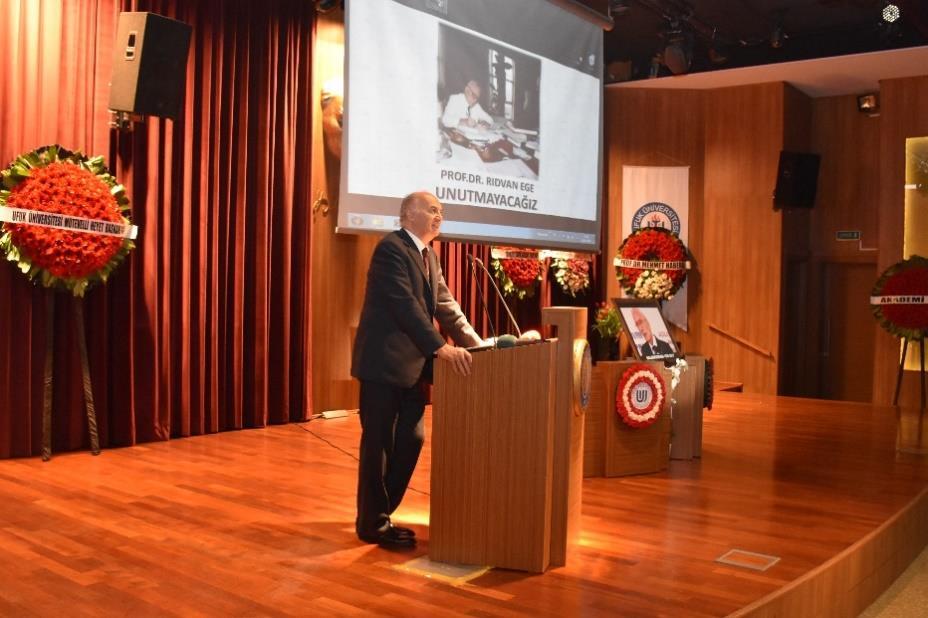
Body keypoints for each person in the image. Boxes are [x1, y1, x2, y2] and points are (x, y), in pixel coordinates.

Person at [351, 191, 483, 549]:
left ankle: (381, 514)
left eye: (441, 210)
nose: (439, 215)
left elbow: (447, 306)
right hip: (383, 364)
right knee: (378, 444)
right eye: (432, 209)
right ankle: (371, 523)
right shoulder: (391, 249)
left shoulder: (429, 257)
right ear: (408, 214)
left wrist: (477, 345)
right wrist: (440, 347)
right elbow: (405, 306)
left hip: (412, 368)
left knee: (411, 439)